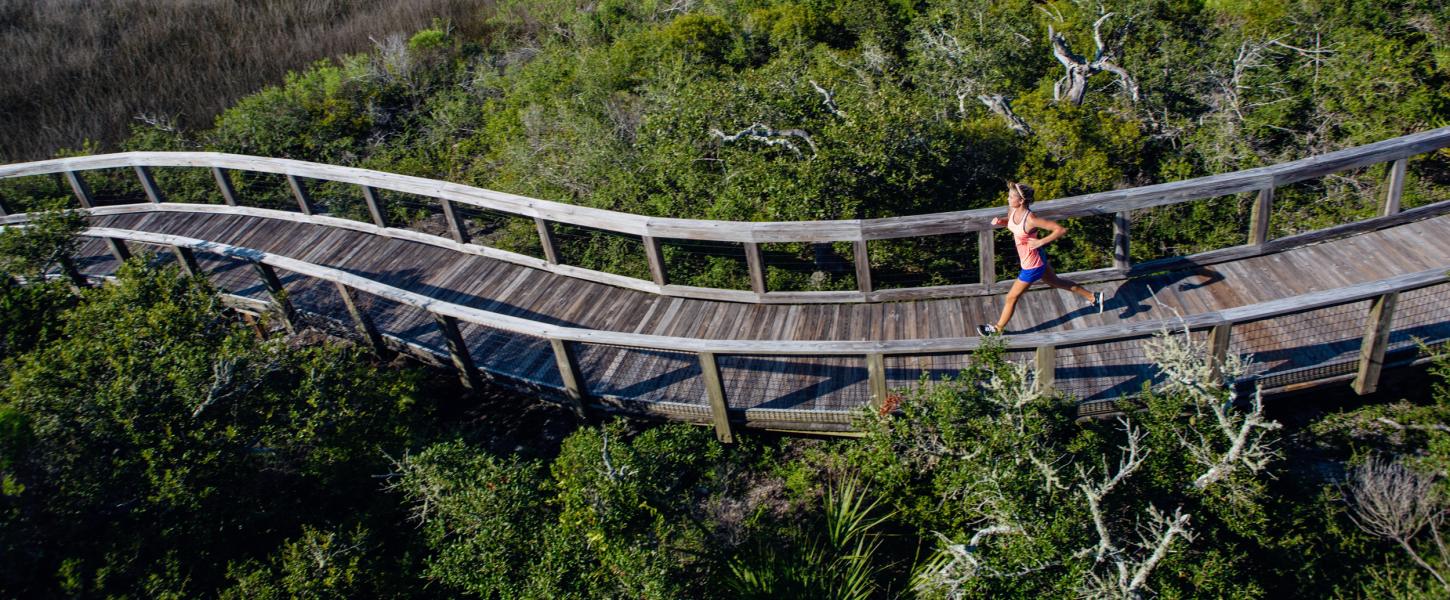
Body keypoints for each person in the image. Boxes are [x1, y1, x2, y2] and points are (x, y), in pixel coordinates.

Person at [976, 181, 1104, 336]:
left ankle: (997, 329)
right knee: (1056, 282)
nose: (1008, 199)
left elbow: (1060, 229)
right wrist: (1001, 221)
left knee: (1011, 297)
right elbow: (1012, 224)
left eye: (1011, 197)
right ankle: (1093, 297)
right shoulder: (1012, 210)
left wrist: (1040, 241)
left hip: (1032, 265)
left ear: (1021, 201)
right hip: (1035, 259)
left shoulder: (1031, 219)